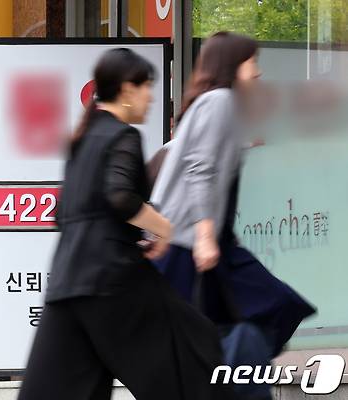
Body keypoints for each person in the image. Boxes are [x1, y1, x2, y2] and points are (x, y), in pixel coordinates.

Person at [18, 48, 234, 400]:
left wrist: (129, 233)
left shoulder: (82, 139)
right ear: (126, 89)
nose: (151, 96)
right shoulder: (123, 136)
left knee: (66, 390)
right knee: (194, 352)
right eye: (147, 86)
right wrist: (162, 228)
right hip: (113, 279)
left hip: (67, 285)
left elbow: (64, 213)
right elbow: (119, 197)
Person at [151, 32, 315, 398]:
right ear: (232, 66)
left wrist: (244, 142)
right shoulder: (219, 101)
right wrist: (206, 237)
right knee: (271, 308)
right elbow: (200, 168)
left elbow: (192, 152)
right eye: (251, 62)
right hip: (189, 244)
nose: (257, 72)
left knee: (253, 316)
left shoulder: (216, 106)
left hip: (200, 243)